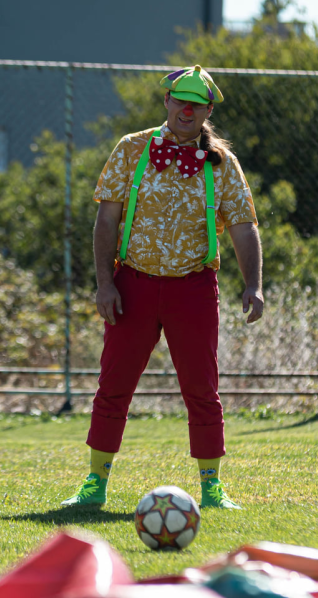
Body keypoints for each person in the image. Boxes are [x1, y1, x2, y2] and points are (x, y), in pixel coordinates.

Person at [61, 65, 263, 510]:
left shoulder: (222, 163)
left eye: (196, 103)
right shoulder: (131, 149)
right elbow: (106, 220)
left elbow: (244, 227)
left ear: (208, 109)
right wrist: (104, 284)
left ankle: (212, 488)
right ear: (167, 102)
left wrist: (254, 284)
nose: (186, 109)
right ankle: (94, 484)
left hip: (193, 287)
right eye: (179, 99)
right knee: (114, 384)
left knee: (202, 388)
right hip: (132, 283)